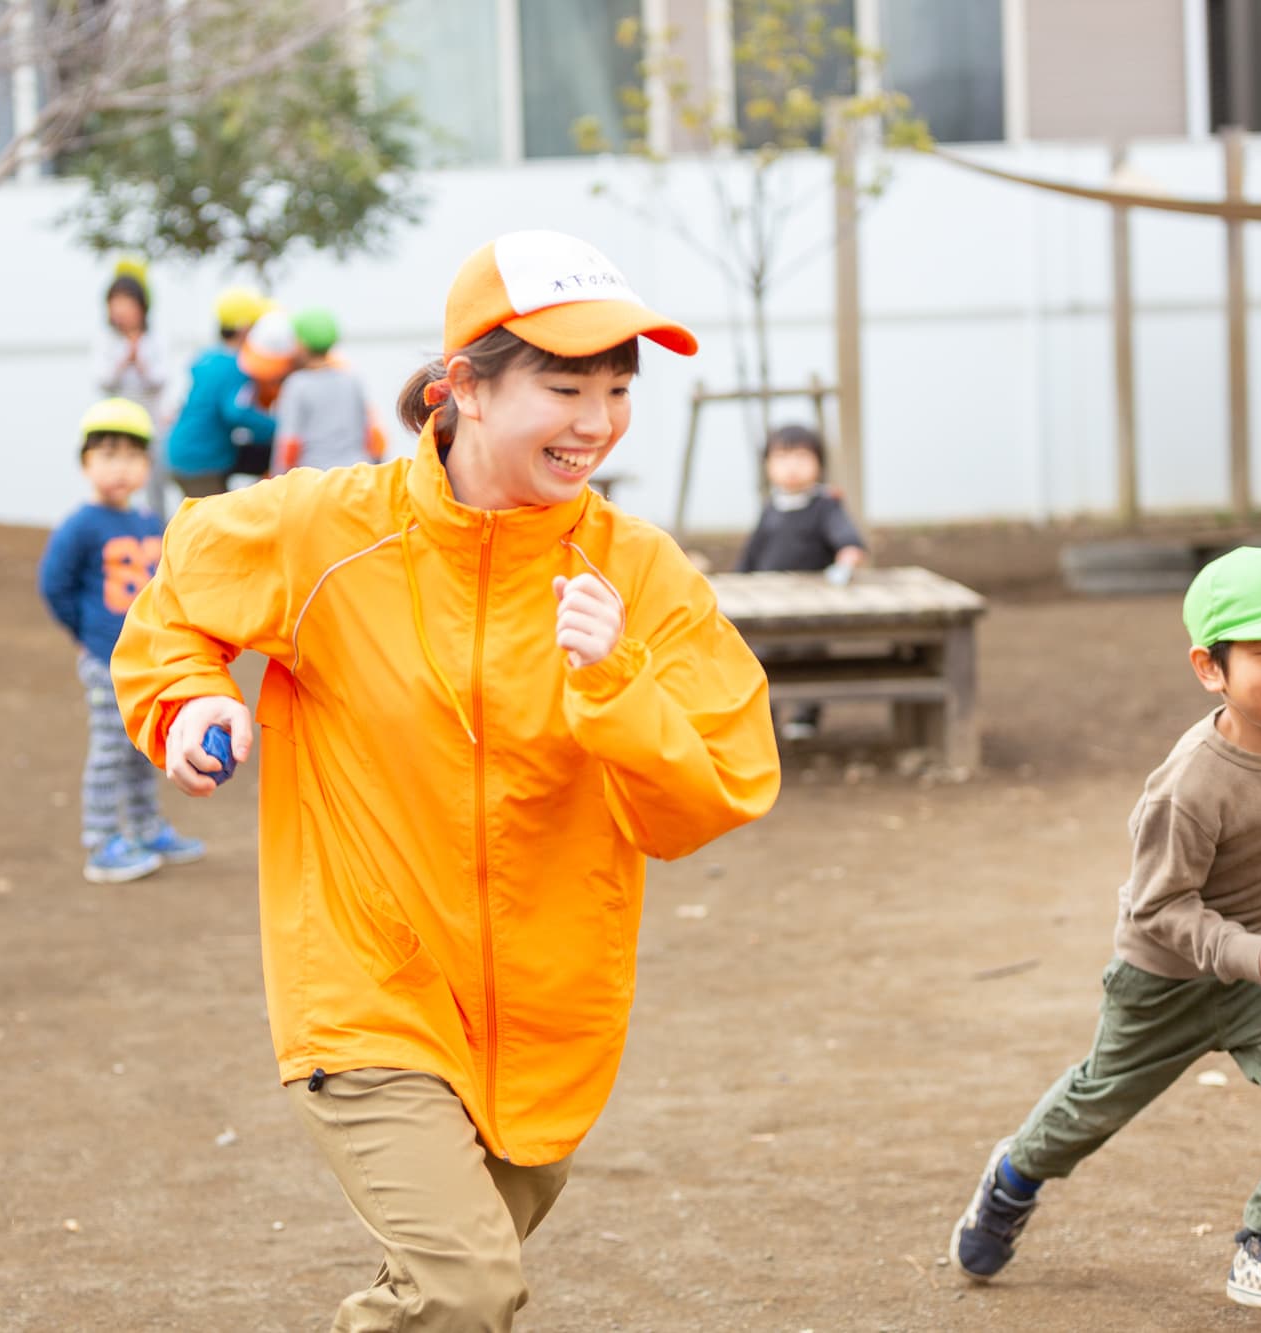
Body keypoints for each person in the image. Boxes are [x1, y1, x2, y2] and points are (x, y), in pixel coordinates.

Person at [112, 230, 782, 1330]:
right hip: (366, 989)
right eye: (563, 386)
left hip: (548, 1019)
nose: (596, 422)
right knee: (468, 1289)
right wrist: (187, 700)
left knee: (428, 1301)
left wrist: (612, 680)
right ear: (462, 386)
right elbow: (175, 594)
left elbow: (715, 789)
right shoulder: (325, 531)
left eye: (616, 389)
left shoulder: (637, 575)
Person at [948, 546, 1261, 1314]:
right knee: (1095, 1104)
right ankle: (1014, 1175)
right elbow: (1155, 907)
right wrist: (1238, 950)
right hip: (1167, 978)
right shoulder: (1190, 785)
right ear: (1211, 669)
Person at [37, 398, 204, 883]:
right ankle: (102, 840)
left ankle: (147, 827)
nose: (120, 468)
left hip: (145, 660)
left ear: (148, 465)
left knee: (141, 747)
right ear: (86, 464)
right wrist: (85, 637)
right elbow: (55, 586)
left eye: (132, 457)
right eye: (108, 456)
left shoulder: (150, 522)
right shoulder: (80, 526)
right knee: (110, 752)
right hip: (104, 660)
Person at [735, 423, 867, 741]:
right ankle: (765, 715)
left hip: (808, 602)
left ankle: (806, 714)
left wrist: (846, 561)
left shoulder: (825, 505)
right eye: (781, 458)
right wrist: (737, 580)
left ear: (819, 463)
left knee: (807, 655)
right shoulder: (771, 508)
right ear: (767, 465)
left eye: (802, 457)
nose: (791, 467)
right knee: (760, 658)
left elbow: (848, 541)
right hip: (766, 602)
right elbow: (753, 551)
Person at [164, 287, 277, 499]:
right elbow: (236, 412)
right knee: (212, 524)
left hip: (182, 451)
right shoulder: (236, 364)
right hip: (201, 461)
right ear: (245, 329)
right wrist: (277, 426)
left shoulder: (208, 356)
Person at [91, 260, 170, 516]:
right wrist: (125, 360)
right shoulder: (106, 340)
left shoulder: (155, 338)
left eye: (127, 304)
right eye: (116, 304)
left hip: (151, 426)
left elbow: (162, 380)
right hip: (116, 426)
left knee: (154, 486)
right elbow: (102, 381)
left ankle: (156, 536)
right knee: (115, 484)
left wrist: (141, 361)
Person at [271, 307, 385, 476]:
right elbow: (372, 430)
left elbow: (289, 442)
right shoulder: (352, 379)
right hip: (355, 476)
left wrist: (277, 480)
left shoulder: (297, 385)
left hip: (315, 479)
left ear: (301, 343)